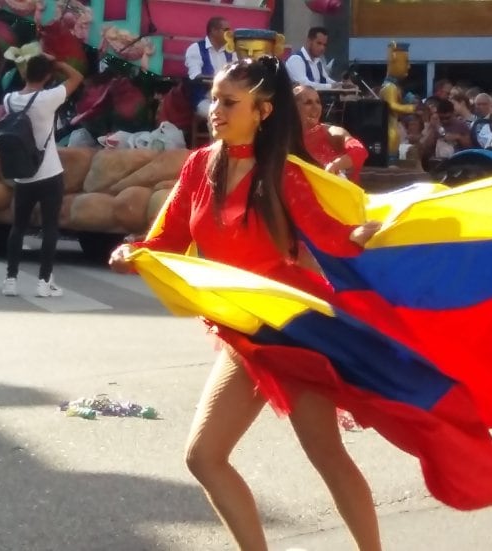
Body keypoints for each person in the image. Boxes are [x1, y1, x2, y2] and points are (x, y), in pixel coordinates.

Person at [109, 56, 383, 551]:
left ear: (263, 110)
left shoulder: (285, 172)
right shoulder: (199, 165)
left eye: (228, 102)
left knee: (324, 452)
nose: (215, 109)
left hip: (292, 327)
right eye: (213, 99)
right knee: (204, 456)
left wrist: (364, 234)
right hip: (240, 329)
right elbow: (166, 239)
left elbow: (329, 237)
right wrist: (133, 253)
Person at [1, 54, 84, 298]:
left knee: (18, 226)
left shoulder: (9, 100)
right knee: (49, 228)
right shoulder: (48, 98)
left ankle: (10, 279)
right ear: (47, 76)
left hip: (22, 174)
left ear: (25, 73)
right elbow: (77, 77)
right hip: (49, 172)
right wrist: (58, 64)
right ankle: (43, 282)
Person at [294, 84, 368, 183]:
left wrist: (335, 165)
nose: (316, 107)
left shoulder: (331, 132)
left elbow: (359, 151)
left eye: (318, 102)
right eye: (308, 103)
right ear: (293, 108)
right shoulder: (283, 137)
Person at [183, 17, 233, 118]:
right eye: (226, 30)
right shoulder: (195, 48)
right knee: (220, 115)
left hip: (227, 99)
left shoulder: (232, 51)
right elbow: (195, 76)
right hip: (204, 99)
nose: (230, 33)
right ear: (214, 31)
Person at [286, 27, 339, 91]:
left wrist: (342, 85)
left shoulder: (318, 62)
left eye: (324, 45)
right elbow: (303, 84)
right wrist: (330, 86)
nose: (322, 48)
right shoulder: (296, 59)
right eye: (319, 43)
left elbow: (327, 80)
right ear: (309, 41)